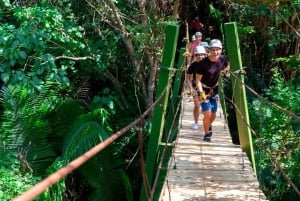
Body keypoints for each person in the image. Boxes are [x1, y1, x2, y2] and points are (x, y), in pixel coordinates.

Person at [195, 39, 230, 142]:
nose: (215, 52)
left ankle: (209, 124)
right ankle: (206, 134)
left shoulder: (222, 59)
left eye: (217, 50)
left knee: (213, 114)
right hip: (203, 90)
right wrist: (201, 94)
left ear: (221, 50)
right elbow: (197, 81)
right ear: (209, 50)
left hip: (214, 90)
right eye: (213, 50)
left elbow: (227, 65)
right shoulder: (202, 64)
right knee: (208, 113)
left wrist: (225, 72)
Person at [186, 46, 208, 130]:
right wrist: (191, 89)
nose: (200, 56)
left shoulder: (209, 64)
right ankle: (196, 122)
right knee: (197, 105)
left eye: (202, 55)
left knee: (206, 106)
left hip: (206, 88)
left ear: (205, 55)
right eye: (198, 55)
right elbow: (188, 78)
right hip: (195, 88)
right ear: (195, 55)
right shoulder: (192, 66)